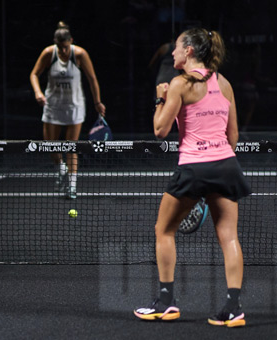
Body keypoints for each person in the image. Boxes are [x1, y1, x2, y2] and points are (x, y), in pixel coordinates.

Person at [133, 28, 251, 327]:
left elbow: (160, 131)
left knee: (164, 230)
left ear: (188, 52)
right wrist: (216, 166)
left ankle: (165, 302)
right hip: (226, 164)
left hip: (194, 167)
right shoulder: (224, 83)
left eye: (176, 47)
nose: (172, 52)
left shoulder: (179, 84)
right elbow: (233, 136)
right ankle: (234, 309)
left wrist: (160, 99)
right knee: (229, 238)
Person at [29, 21, 105, 199]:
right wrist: (38, 92)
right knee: (50, 146)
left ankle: (72, 186)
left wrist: (98, 102)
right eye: (59, 47)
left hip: (74, 106)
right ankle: (61, 167)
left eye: (65, 47)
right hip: (52, 106)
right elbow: (34, 74)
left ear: (71, 41)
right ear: (55, 43)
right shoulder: (49, 53)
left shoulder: (80, 54)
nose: (62, 50)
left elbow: (92, 79)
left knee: (72, 146)